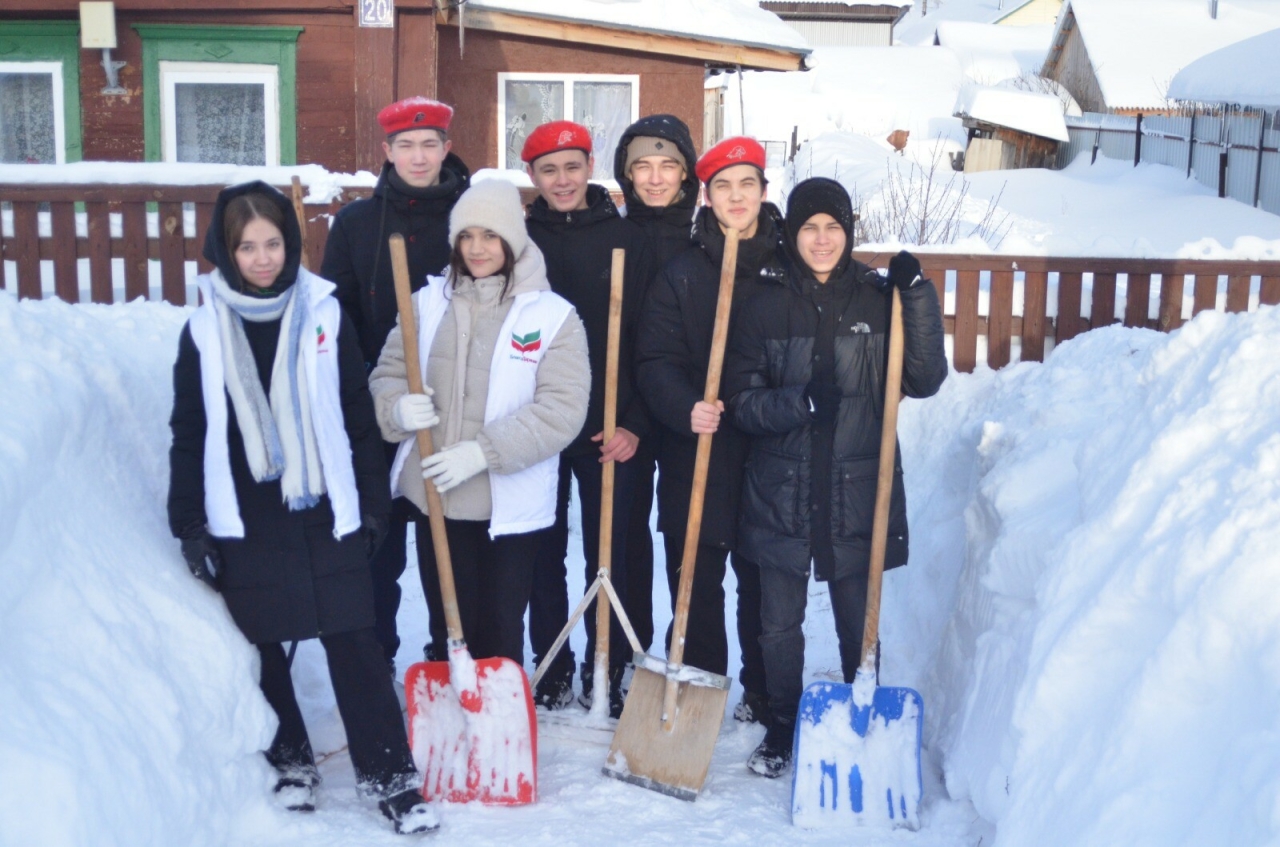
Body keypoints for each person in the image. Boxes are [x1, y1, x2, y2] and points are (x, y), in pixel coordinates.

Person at [167, 182, 436, 834]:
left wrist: (374, 503)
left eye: (273, 243)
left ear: (290, 245)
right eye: (247, 246)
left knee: (355, 641)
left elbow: (355, 415)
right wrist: (190, 524)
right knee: (264, 644)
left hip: (323, 502)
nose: (262, 257)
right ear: (225, 251)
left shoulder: (323, 312)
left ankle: (390, 774)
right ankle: (291, 763)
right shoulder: (203, 329)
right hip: (247, 511)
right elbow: (191, 431)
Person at [724, 177, 948, 778]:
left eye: (833, 227)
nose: (821, 240)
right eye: (808, 228)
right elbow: (741, 402)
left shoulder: (879, 300)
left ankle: (864, 715)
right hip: (780, 490)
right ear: (793, 233)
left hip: (857, 486)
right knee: (778, 623)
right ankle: (780, 725)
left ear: (848, 232)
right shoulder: (764, 305)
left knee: (858, 614)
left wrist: (917, 295)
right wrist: (801, 403)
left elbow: (924, 379)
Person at [369, 179, 590, 667]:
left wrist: (483, 453)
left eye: (489, 236)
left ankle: (498, 728)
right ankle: (452, 715)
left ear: (512, 239)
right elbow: (388, 373)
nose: (476, 248)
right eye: (466, 236)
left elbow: (563, 409)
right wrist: (397, 408)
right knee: (447, 626)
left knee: (498, 628)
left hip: (505, 503)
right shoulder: (426, 303)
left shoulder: (552, 317)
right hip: (436, 497)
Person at [634, 136, 782, 726]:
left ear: (764, 192)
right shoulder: (684, 271)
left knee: (763, 579)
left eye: (747, 184)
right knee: (696, 576)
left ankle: (765, 692)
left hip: (770, 452)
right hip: (696, 449)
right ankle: (698, 693)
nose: (736, 196)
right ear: (707, 194)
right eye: (723, 185)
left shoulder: (786, 265)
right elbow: (653, 360)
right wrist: (684, 406)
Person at [321, 97, 470, 672]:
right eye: (405, 145)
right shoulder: (357, 224)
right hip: (382, 414)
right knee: (379, 548)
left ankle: (449, 653)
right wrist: (372, 398)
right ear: (385, 152)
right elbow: (339, 320)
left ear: (446, 149)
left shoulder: (470, 217)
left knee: (447, 548)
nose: (418, 155)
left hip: (454, 412)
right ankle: (376, 658)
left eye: (429, 144)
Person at [521, 120, 653, 715]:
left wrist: (633, 423)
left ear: (590, 165)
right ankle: (551, 666)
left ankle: (614, 665)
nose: (562, 179)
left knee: (612, 551)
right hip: (543, 425)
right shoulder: (518, 243)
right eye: (548, 170)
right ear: (532, 177)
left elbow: (655, 343)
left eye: (572, 166)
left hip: (610, 427)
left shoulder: (628, 239)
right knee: (542, 551)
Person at [610, 114, 700, 663]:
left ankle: (685, 655)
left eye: (668, 165)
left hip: (689, 413)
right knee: (624, 542)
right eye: (641, 166)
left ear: (686, 173)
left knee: (684, 541)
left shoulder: (706, 238)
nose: (655, 177)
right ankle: (626, 650)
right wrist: (631, 417)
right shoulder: (613, 235)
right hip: (625, 421)